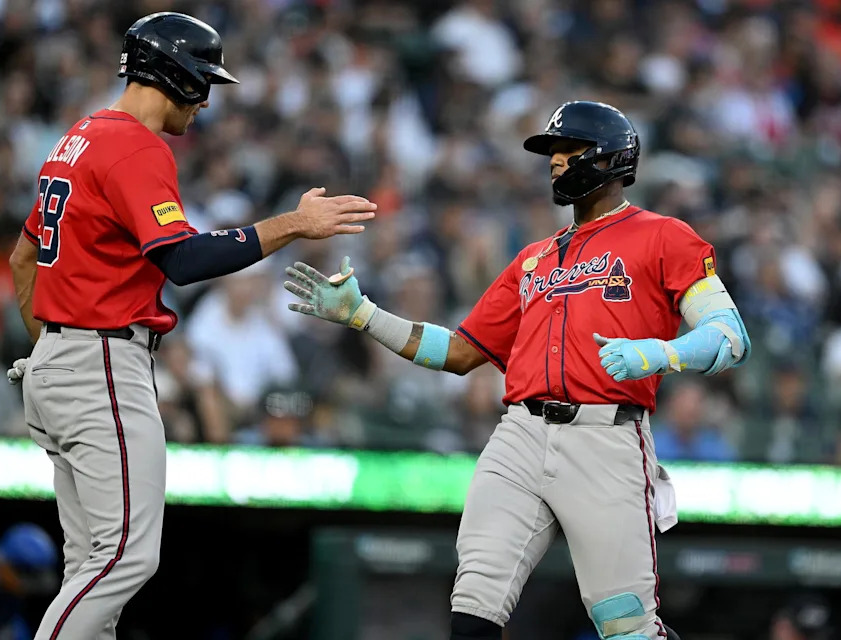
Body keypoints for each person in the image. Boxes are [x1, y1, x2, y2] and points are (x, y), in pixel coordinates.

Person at [284, 101, 749, 640]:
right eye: (553, 152)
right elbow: (459, 352)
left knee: (626, 625)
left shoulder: (664, 235)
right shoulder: (534, 258)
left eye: (567, 149)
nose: (555, 162)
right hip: (519, 435)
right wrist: (365, 315)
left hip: (606, 436)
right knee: (475, 599)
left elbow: (730, 337)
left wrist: (659, 353)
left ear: (608, 157)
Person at [5, 12, 375, 640]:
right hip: (100, 363)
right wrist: (292, 224)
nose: (205, 100)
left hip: (61, 364)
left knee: (91, 569)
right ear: (170, 74)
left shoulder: (81, 135)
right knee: (125, 558)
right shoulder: (135, 144)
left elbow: (22, 261)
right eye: (201, 82)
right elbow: (184, 259)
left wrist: (50, 353)